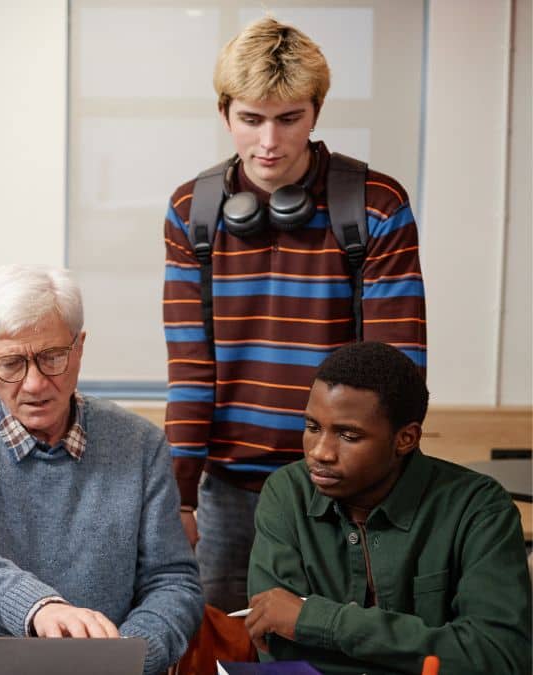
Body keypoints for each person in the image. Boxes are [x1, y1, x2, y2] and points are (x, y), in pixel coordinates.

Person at [162, 17, 427, 612]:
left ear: (316, 112)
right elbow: (190, 366)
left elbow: (398, 372)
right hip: (228, 493)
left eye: (289, 119)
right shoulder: (192, 211)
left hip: (343, 490)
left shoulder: (375, 206)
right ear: (225, 111)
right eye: (251, 119)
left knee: (340, 648)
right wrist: (180, 499)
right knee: (223, 647)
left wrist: (386, 494)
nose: (269, 144)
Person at [0, 264, 203, 675]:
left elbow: (173, 582)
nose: (33, 383)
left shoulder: (140, 445)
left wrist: (128, 656)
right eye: (10, 363)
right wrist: (39, 609)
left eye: (52, 357)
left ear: (79, 346)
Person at [246, 342, 531, 673]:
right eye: (312, 427)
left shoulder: (479, 508)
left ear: (405, 439)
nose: (320, 452)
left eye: (348, 435)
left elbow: (500, 656)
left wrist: (319, 621)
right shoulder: (286, 494)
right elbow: (279, 646)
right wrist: (424, 651)